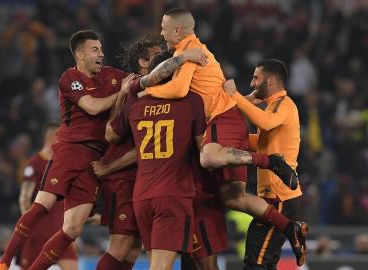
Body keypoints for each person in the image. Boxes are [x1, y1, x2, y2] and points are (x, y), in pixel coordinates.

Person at [142, 8, 306, 265]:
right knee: (234, 198)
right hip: (229, 123)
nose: (160, 32)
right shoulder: (188, 51)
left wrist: (147, 91)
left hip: (223, 119)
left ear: (177, 30)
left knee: (208, 158)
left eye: (164, 27)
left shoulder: (192, 51)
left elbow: (178, 88)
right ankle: (290, 227)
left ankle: (270, 161)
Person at [0, 29, 129, 270]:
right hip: (71, 150)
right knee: (42, 204)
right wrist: (124, 92)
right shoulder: (70, 78)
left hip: (95, 159)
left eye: (101, 49)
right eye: (95, 49)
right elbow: (92, 107)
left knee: (73, 228)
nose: (102, 54)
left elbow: (139, 81)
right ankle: (4, 262)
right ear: (80, 54)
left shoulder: (112, 76)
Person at [104, 50, 208, 270]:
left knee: (158, 264)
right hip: (172, 195)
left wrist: (121, 98)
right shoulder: (191, 101)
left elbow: (110, 135)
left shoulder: (135, 103)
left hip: (142, 197)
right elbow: (204, 151)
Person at [223, 59, 307, 268]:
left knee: (257, 263)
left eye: (255, 78)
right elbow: (260, 142)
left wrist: (234, 95)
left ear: (269, 82)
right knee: (260, 260)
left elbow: (264, 122)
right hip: (277, 197)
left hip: (279, 196)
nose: (251, 83)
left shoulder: (283, 105)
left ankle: (294, 229)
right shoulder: (273, 107)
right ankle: (294, 230)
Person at [92, 37, 162, 270]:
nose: (165, 59)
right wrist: (109, 169)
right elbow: (143, 147)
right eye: (157, 54)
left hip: (137, 179)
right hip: (122, 177)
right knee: (120, 246)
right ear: (143, 62)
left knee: (133, 248)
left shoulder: (148, 90)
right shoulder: (140, 93)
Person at [18, 123, 78, 270]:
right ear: (52, 136)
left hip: (60, 232)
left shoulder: (63, 164)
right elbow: (24, 198)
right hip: (37, 233)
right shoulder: (34, 164)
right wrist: (27, 227)